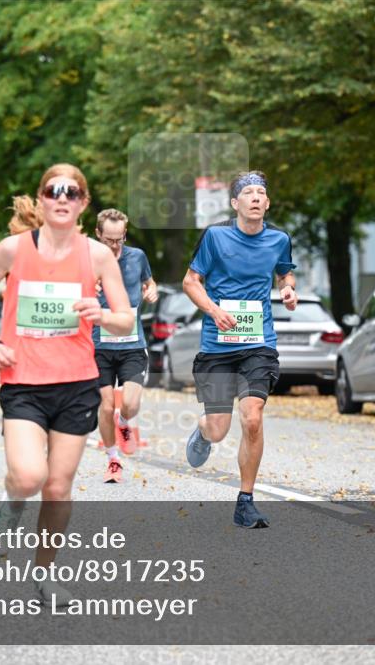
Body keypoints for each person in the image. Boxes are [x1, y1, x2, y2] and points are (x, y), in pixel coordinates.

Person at [0, 164, 133, 604]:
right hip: (22, 380)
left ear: (84, 202)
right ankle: (13, 502)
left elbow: (126, 317)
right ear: (40, 200)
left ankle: (44, 573)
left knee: (58, 487)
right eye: (53, 191)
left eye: (72, 192)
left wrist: (104, 316)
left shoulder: (98, 255)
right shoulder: (11, 250)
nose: (62, 198)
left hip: (76, 383)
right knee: (28, 475)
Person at [181, 170, 297, 529]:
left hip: (258, 344)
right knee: (219, 428)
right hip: (218, 346)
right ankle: (203, 432)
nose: (256, 197)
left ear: (267, 202)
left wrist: (288, 289)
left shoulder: (279, 240)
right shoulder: (216, 237)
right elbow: (190, 281)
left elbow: (284, 273)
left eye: (261, 192)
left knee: (252, 417)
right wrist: (214, 311)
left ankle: (245, 501)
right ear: (235, 203)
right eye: (248, 192)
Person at [92, 209, 158, 483]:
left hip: (132, 344)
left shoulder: (137, 257)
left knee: (129, 405)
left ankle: (124, 424)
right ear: (98, 235)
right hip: (99, 346)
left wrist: (151, 290)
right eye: (109, 240)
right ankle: (113, 460)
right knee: (106, 406)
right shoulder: (88, 259)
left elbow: (148, 281)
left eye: (119, 239)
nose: (115, 246)